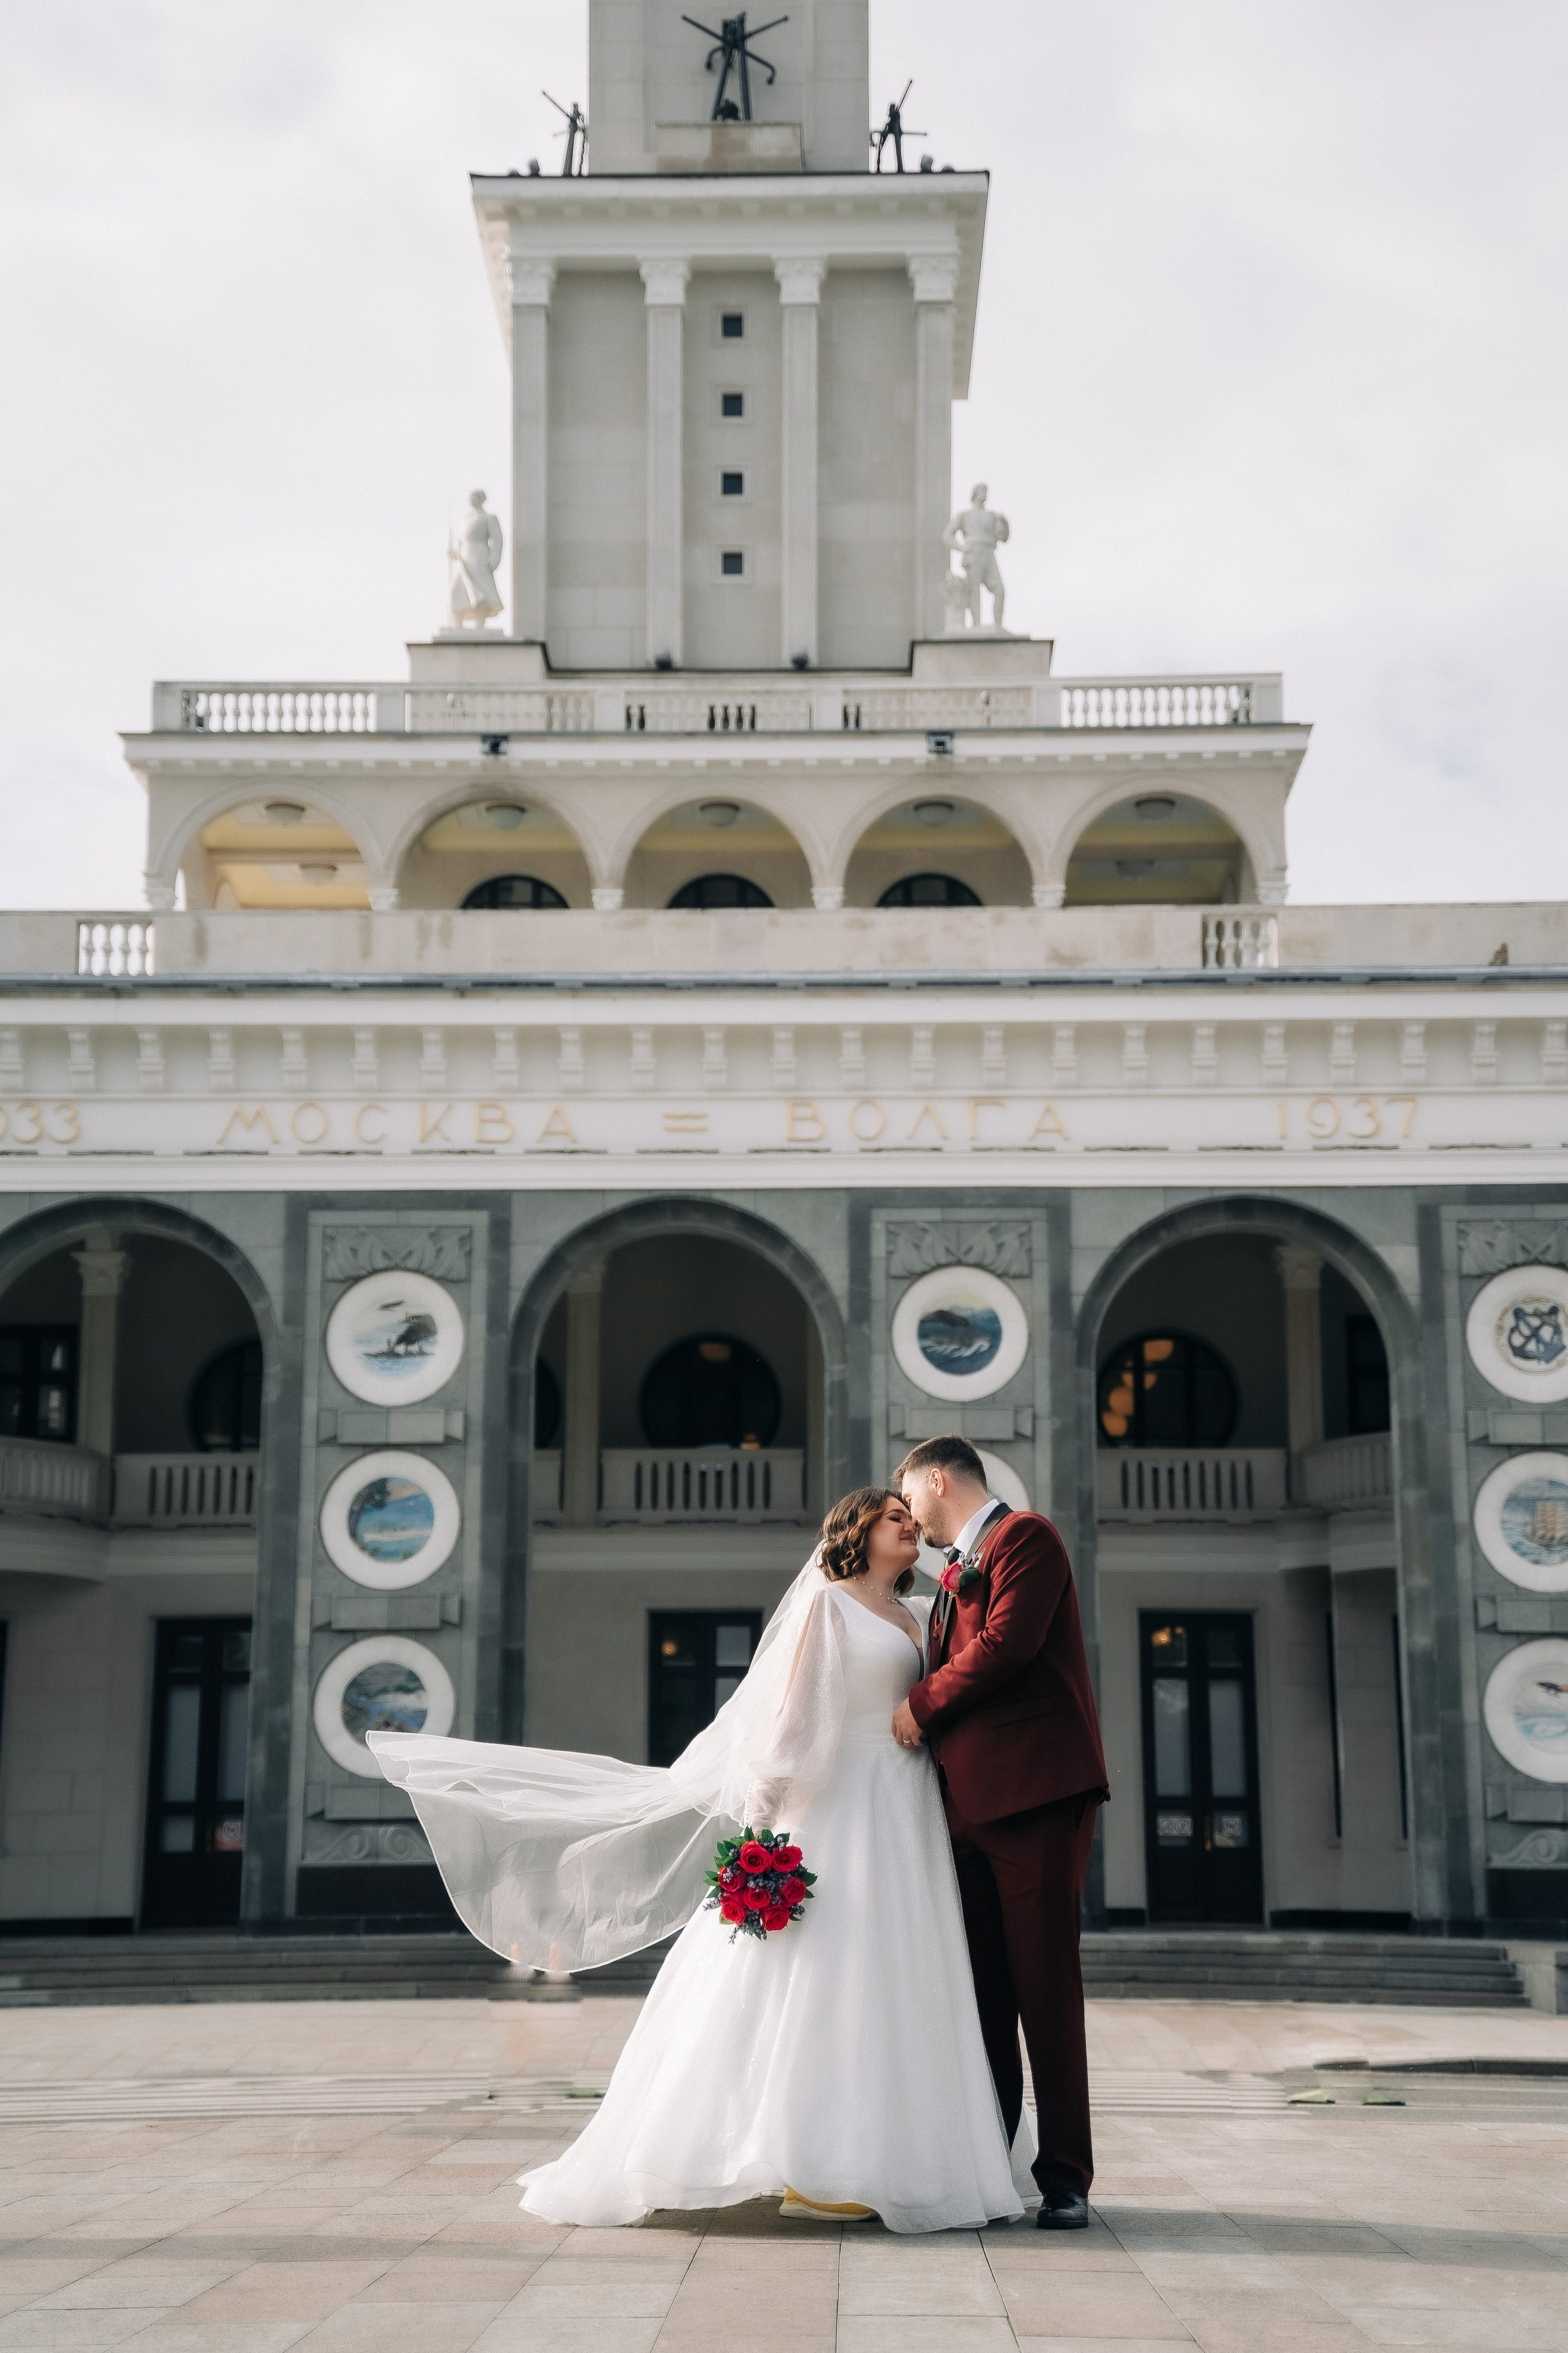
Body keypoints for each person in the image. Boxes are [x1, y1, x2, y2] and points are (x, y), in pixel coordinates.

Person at [368, 1489, 1033, 2233]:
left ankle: (907, 2159)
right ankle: (813, 2165)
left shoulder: (915, 1617)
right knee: (827, 1971)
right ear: (856, 1532)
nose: (909, 1525)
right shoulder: (826, 1607)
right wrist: (764, 1826)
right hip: (836, 1804)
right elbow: (792, 1719)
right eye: (892, 1518)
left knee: (900, 1971)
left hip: (906, 1809)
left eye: (911, 1518)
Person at [892, 1435, 1109, 2229]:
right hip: (966, 1811)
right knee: (982, 1999)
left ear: (938, 1480)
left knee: (1044, 1988)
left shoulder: (1027, 1538)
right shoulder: (954, 1571)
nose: (909, 1514)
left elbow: (1007, 1645)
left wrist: (917, 1708)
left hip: (1036, 1799)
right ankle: (990, 2169)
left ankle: (1066, 2177)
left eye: (909, 1495)